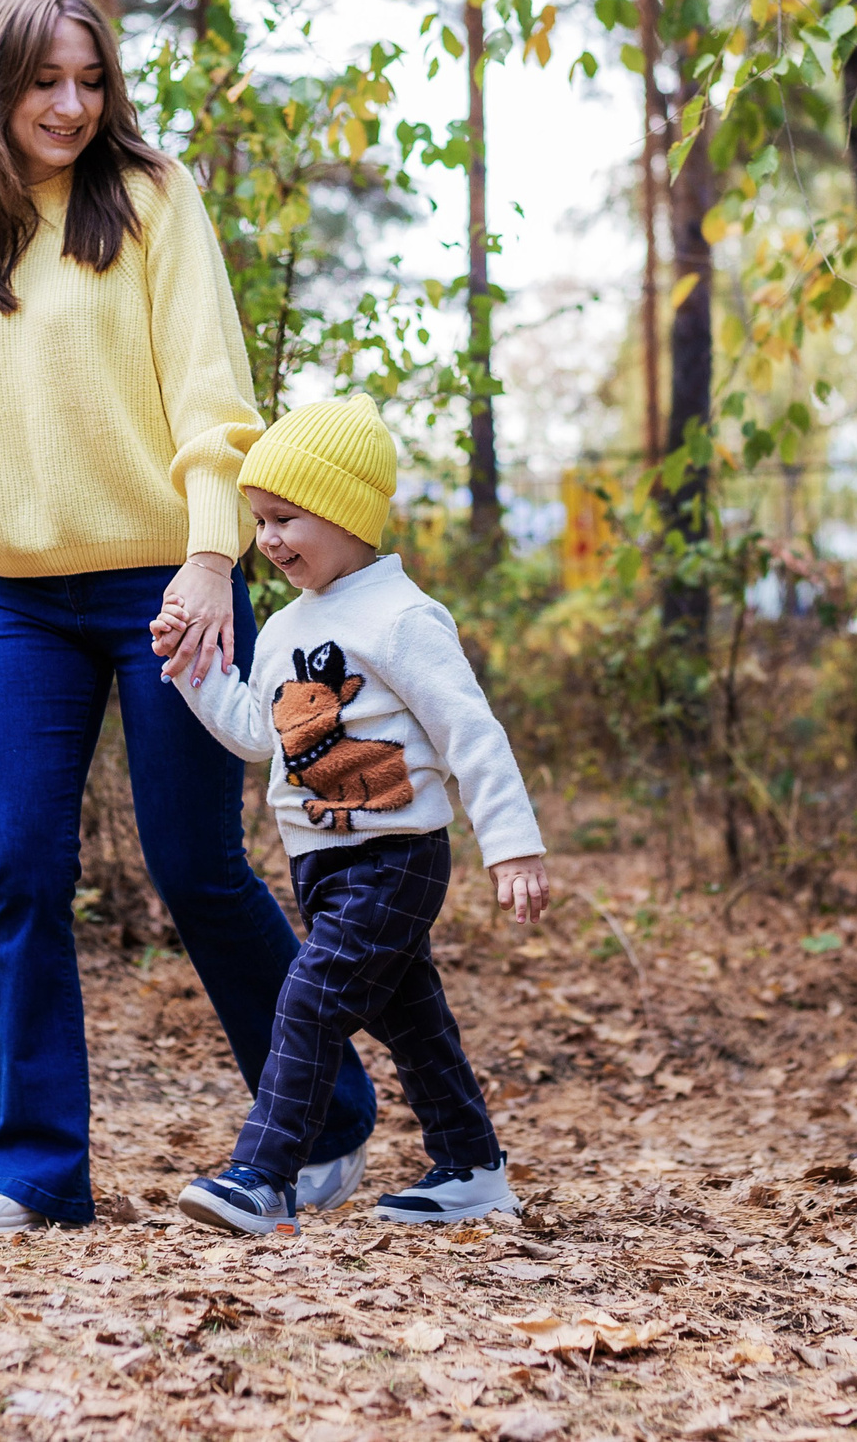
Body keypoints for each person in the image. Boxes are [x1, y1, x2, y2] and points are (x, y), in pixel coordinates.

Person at [0, 0, 376, 1234]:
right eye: (44, 81)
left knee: (194, 864)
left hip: (163, 586)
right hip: (15, 602)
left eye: (90, 80)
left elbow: (214, 397)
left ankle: (326, 1112)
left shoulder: (154, 200)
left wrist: (213, 557)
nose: (71, 105)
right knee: (20, 872)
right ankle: (29, 1168)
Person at [147, 397, 550, 1234]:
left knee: (310, 994)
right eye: (260, 522)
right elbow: (260, 737)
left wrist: (510, 846)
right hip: (320, 864)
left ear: (346, 513)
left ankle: (263, 1176)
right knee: (411, 1014)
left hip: (396, 856)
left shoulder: (402, 619)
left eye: (286, 518)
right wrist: (192, 670)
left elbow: (470, 732)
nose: (269, 541)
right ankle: (472, 1167)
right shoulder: (287, 627)